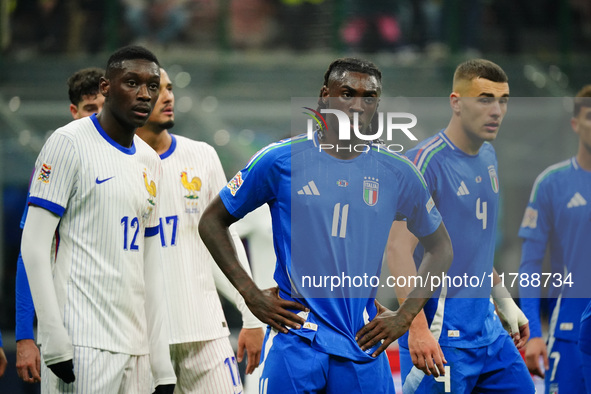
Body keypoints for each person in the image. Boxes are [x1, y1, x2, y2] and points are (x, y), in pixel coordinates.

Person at [198, 57, 454, 393]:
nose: (357, 105)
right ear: (324, 97)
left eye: (369, 97)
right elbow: (212, 221)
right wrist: (250, 295)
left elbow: (441, 247)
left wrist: (405, 316)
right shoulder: (280, 160)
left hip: (363, 343)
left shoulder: (397, 172)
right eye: (347, 93)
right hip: (296, 339)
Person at [20, 45, 176, 393]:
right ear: (106, 87)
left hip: (137, 351)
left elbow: (152, 265)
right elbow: (33, 245)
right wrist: (53, 336)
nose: (144, 94)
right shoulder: (67, 143)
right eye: (132, 82)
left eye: (152, 86)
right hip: (82, 343)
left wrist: (161, 363)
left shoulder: (151, 162)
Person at [388, 58, 534, 393]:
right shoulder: (423, 162)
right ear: (456, 102)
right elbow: (398, 251)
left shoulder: (488, 156)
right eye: (485, 99)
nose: (496, 110)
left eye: (503, 100)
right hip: (443, 337)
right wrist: (417, 328)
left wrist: (504, 299)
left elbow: (475, 246)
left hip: (490, 335)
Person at [134, 67, 265, 393]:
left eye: (168, 87)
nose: (168, 96)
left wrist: (251, 315)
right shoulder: (114, 164)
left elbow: (226, 239)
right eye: (156, 89)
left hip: (207, 333)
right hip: (141, 340)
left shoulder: (202, 156)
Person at [15, 66, 106, 384]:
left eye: (103, 108)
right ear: (73, 111)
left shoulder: (135, 160)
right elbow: (31, 250)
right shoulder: (57, 161)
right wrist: (26, 335)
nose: (96, 117)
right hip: (68, 329)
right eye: (89, 109)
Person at [520, 85, 591, 393]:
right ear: (576, 123)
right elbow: (530, 264)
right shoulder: (551, 183)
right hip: (568, 333)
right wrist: (534, 333)